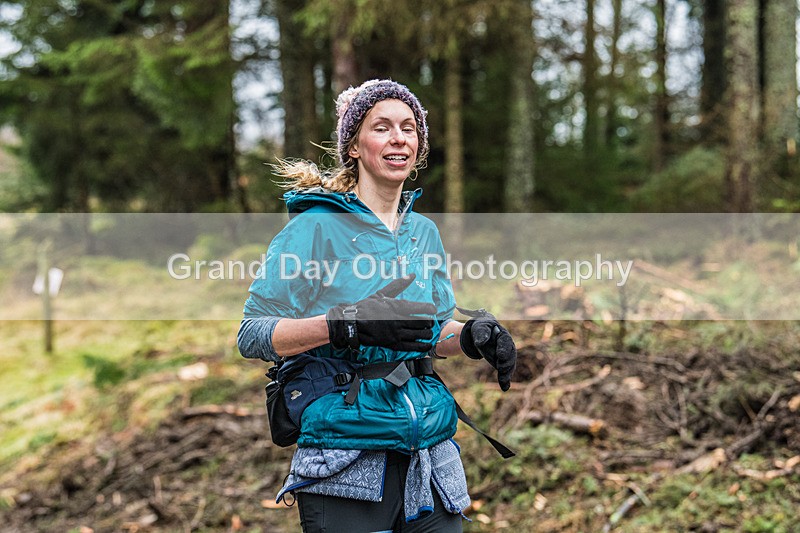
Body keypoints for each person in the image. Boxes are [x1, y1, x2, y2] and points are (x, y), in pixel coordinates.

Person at [238, 79, 517, 533]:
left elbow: (431, 330)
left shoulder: (423, 233)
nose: (398, 138)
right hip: (345, 460)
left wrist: (470, 337)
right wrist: (344, 325)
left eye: (408, 128)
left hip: (429, 454)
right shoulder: (315, 229)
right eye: (382, 127)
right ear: (354, 146)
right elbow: (252, 334)